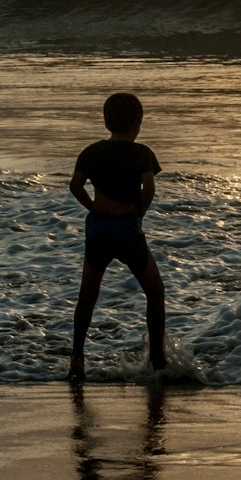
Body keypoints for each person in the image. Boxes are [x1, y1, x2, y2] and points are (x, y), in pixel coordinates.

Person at [68, 92, 167, 381]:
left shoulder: (90, 152)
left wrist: (93, 208)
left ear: (106, 120)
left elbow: (75, 186)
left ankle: (77, 358)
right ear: (138, 122)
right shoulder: (142, 153)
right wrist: (139, 214)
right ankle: (158, 361)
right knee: (155, 291)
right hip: (126, 226)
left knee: (88, 294)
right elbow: (148, 188)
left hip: (98, 226)